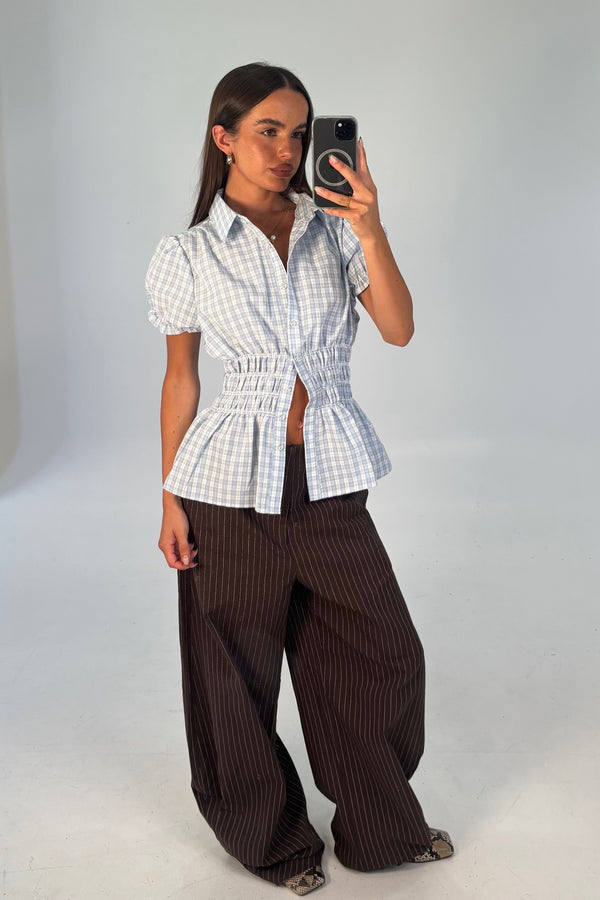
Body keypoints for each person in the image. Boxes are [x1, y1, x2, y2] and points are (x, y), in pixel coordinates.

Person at [145, 62, 453, 895]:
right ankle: (275, 845)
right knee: (232, 676)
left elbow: (398, 329)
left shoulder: (336, 229)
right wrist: (170, 496)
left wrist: (372, 227)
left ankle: (380, 825)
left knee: (383, 652)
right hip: (225, 490)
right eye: (267, 131)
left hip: (328, 479)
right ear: (224, 138)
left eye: (299, 132)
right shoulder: (188, 252)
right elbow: (181, 380)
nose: (287, 149)